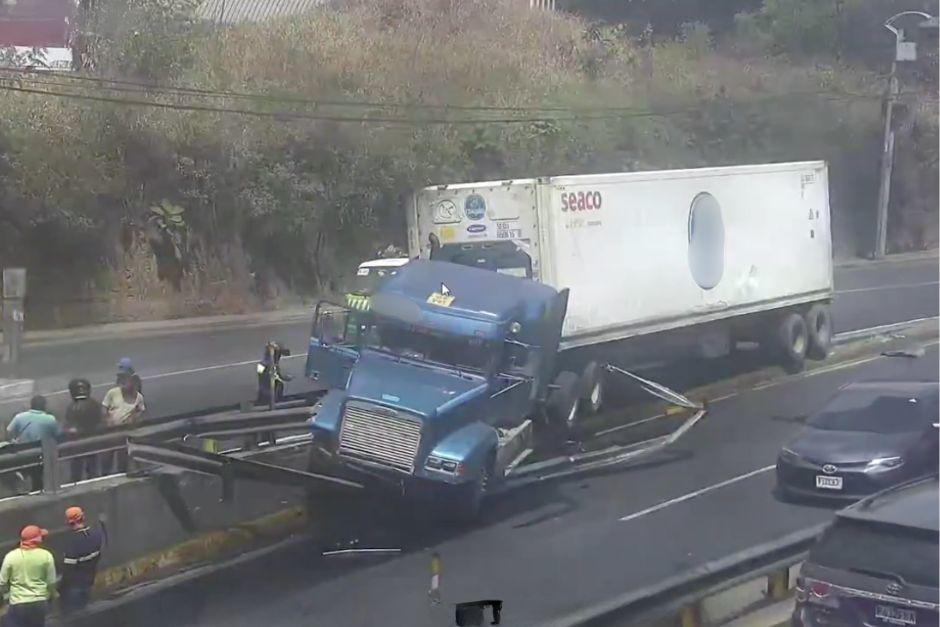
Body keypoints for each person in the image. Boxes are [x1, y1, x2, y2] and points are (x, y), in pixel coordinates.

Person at [0, 525, 56, 627]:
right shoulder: (46, 555)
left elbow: (2, 583)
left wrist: (5, 599)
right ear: (38, 540)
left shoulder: (11, 556)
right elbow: (51, 582)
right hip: (39, 602)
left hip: (18, 603)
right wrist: (53, 594)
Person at [59, 507, 103, 615]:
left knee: (72, 616)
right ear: (83, 517)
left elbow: (68, 570)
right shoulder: (96, 534)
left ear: (69, 522)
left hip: (74, 586)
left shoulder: (73, 542)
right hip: (89, 581)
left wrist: (60, 587)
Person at [101, 375, 145, 474]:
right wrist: (107, 420)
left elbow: (140, 411)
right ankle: (105, 475)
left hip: (125, 432)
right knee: (107, 456)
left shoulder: (138, 397)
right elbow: (104, 408)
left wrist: (134, 418)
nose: (126, 387)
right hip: (111, 431)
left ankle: (121, 474)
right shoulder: (112, 393)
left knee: (122, 457)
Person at [64, 380, 104, 481]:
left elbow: (69, 424)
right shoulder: (92, 404)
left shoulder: (73, 406)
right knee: (87, 466)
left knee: (83, 466)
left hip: (83, 441)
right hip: (85, 440)